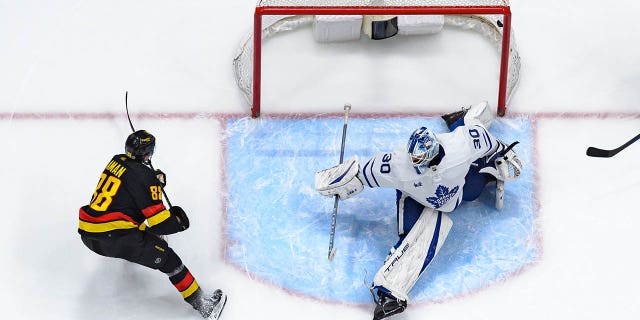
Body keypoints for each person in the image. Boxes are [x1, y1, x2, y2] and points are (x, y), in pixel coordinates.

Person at [314, 101, 523, 320]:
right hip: (415, 199)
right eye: (413, 158)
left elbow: (487, 141)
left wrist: (502, 153)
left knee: (477, 186)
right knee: (416, 237)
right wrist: (340, 181)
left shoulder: (460, 146)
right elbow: (363, 172)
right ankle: (390, 293)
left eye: (420, 160)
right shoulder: (398, 164)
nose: (414, 163)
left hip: (459, 193)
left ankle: (464, 118)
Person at [78, 129, 227, 319]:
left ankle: (133, 252)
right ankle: (204, 306)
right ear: (148, 153)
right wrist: (179, 222)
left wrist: (152, 183)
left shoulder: (116, 160)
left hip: (88, 234)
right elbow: (160, 225)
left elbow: (128, 190)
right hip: (115, 240)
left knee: (137, 229)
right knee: (169, 260)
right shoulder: (146, 179)